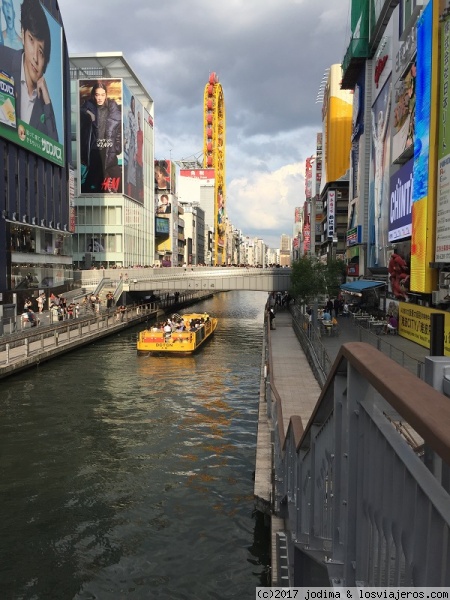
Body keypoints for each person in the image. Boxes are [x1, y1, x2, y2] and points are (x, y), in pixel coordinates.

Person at [0, 0, 58, 139]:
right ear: (22, 34)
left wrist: (47, 102)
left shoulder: (44, 102)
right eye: (31, 40)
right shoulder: (3, 59)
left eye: (41, 52)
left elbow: (54, 146)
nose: (36, 58)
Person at [80, 80, 122, 193]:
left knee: (119, 182)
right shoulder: (88, 106)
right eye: (97, 94)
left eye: (102, 95)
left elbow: (117, 131)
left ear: (106, 95)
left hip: (109, 151)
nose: (100, 98)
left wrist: (117, 147)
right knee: (93, 185)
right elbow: (81, 112)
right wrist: (90, 114)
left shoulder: (112, 108)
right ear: (94, 95)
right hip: (95, 150)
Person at [125, 95, 137, 196]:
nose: (133, 106)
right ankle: (129, 183)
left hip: (134, 141)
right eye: (132, 104)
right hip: (131, 141)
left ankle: (131, 184)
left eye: (134, 105)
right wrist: (127, 141)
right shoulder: (129, 114)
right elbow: (128, 130)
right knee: (130, 164)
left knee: (133, 164)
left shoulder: (133, 116)